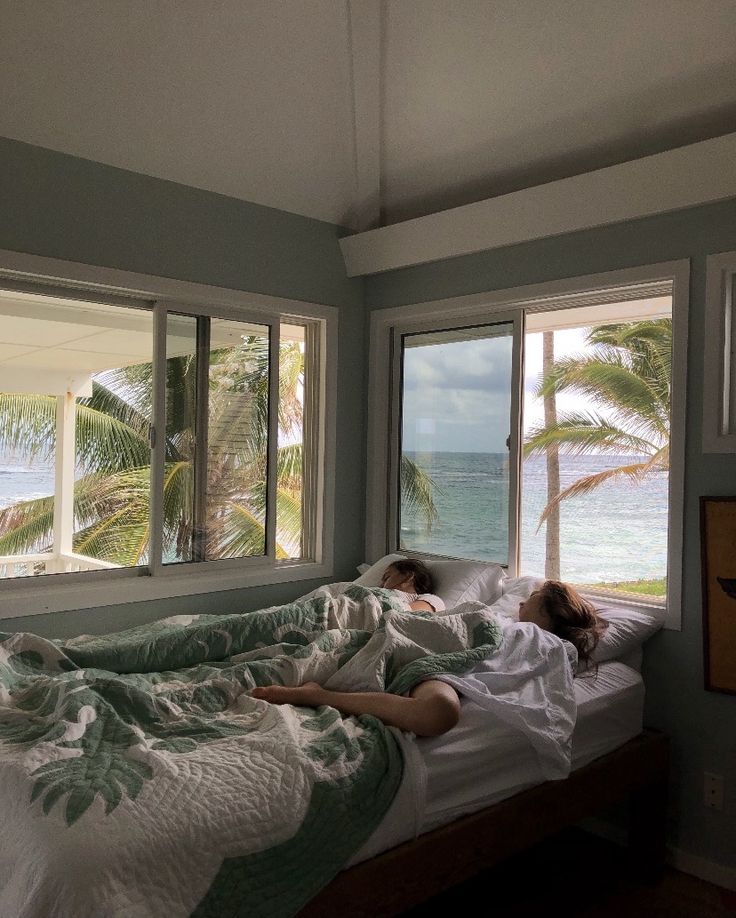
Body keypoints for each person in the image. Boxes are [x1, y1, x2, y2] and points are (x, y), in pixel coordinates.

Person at [251, 579, 605, 738]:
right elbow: (446, 625)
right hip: (438, 655)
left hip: (449, 670)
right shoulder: (497, 620)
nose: (521, 601)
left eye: (534, 596)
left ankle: (320, 696)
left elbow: (541, 674)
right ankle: (321, 687)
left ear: (548, 609)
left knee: (441, 712)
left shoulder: (549, 644)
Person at [378, 558, 445, 613]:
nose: (380, 585)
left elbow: (405, 615)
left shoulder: (431, 599)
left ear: (408, 576)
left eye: (386, 578)